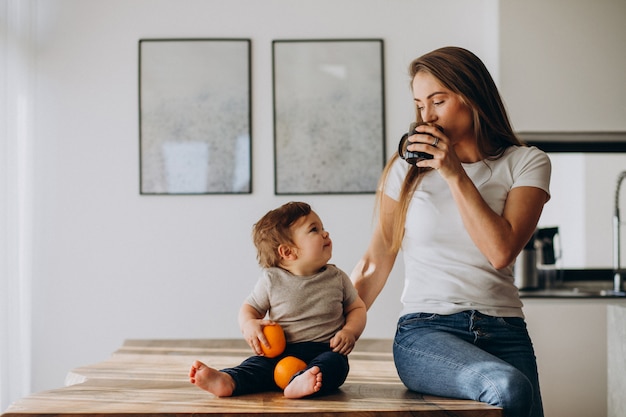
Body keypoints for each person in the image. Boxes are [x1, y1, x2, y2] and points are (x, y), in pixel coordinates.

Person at [350, 46, 550, 417]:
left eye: (437, 101)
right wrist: (324, 330)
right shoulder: (405, 170)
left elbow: (500, 250)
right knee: (508, 387)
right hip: (426, 331)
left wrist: (453, 171)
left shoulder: (525, 163)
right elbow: (375, 260)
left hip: (506, 331)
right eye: (419, 105)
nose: (427, 116)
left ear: (471, 96)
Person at [190, 201, 367, 399]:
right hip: (280, 353)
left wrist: (350, 331)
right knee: (256, 365)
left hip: (325, 349)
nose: (325, 233)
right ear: (288, 252)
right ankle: (229, 380)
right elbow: (249, 308)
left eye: (323, 227)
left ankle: (302, 381)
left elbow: (357, 308)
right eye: (314, 229)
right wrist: (249, 324)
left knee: (335, 365)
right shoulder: (272, 280)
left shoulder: (337, 277)